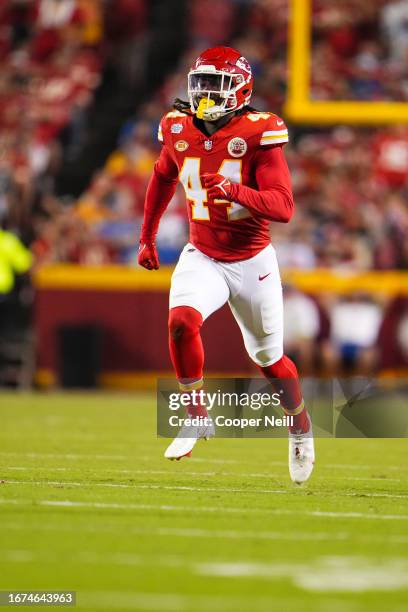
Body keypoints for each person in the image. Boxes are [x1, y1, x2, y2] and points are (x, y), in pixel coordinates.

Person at [138, 46, 314, 484]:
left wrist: (235, 191)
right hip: (203, 254)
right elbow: (162, 175)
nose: (205, 94)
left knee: (270, 360)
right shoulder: (176, 125)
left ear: (242, 88)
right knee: (181, 321)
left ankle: (300, 426)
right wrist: (147, 236)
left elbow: (283, 207)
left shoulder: (260, 131)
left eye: (216, 85)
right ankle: (196, 416)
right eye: (200, 84)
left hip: (252, 261)